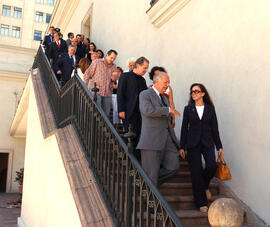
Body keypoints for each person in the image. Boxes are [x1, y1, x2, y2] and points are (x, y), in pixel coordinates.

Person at [179, 83, 223, 213]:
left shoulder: (210, 109)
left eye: (196, 91)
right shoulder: (188, 109)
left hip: (207, 142)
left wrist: (219, 146)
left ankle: (204, 186)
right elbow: (184, 129)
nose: (194, 93)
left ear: (203, 93)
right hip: (192, 143)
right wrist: (182, 146)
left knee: (211, 166)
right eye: (192, 92)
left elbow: (215, 129)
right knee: (196, 173)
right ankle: (201, 203)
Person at [137, 72, 181, 186]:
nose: (167, 85)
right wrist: (167, 110)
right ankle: (149, 192)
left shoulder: (165, 99)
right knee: (150, 175)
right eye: (165, 82)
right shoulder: (145, 94)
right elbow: (147, 110)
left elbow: (168, 123)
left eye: (169, 83)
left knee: (174, 167)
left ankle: (149, 182)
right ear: (157, 81)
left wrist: (177, 144)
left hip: (167, 141)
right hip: (151, 141)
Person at [117, 57, 149, 160]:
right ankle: (127, 159)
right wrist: (121, 110)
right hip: (128, 113)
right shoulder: (125, 76)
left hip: (140, 115)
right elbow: (120, 93)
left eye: (147, 68)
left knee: (138, 138)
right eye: (144, 68)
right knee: (130, 137)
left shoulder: (143, 80)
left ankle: (134, 161)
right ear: (137, 65)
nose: (146, 70)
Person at [84, 49, 118, 116]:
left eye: (114, 59)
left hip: (108, 93)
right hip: (97, 92)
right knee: (96, 113)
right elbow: (87, 73)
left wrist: (114, 77)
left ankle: (100, 127)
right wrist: (84, 86)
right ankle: (93, 127)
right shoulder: (97, 62)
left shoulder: (114, 66)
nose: (112, 60)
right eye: (111, 58)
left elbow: (113, 80)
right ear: (106, 55)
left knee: (106, 116)